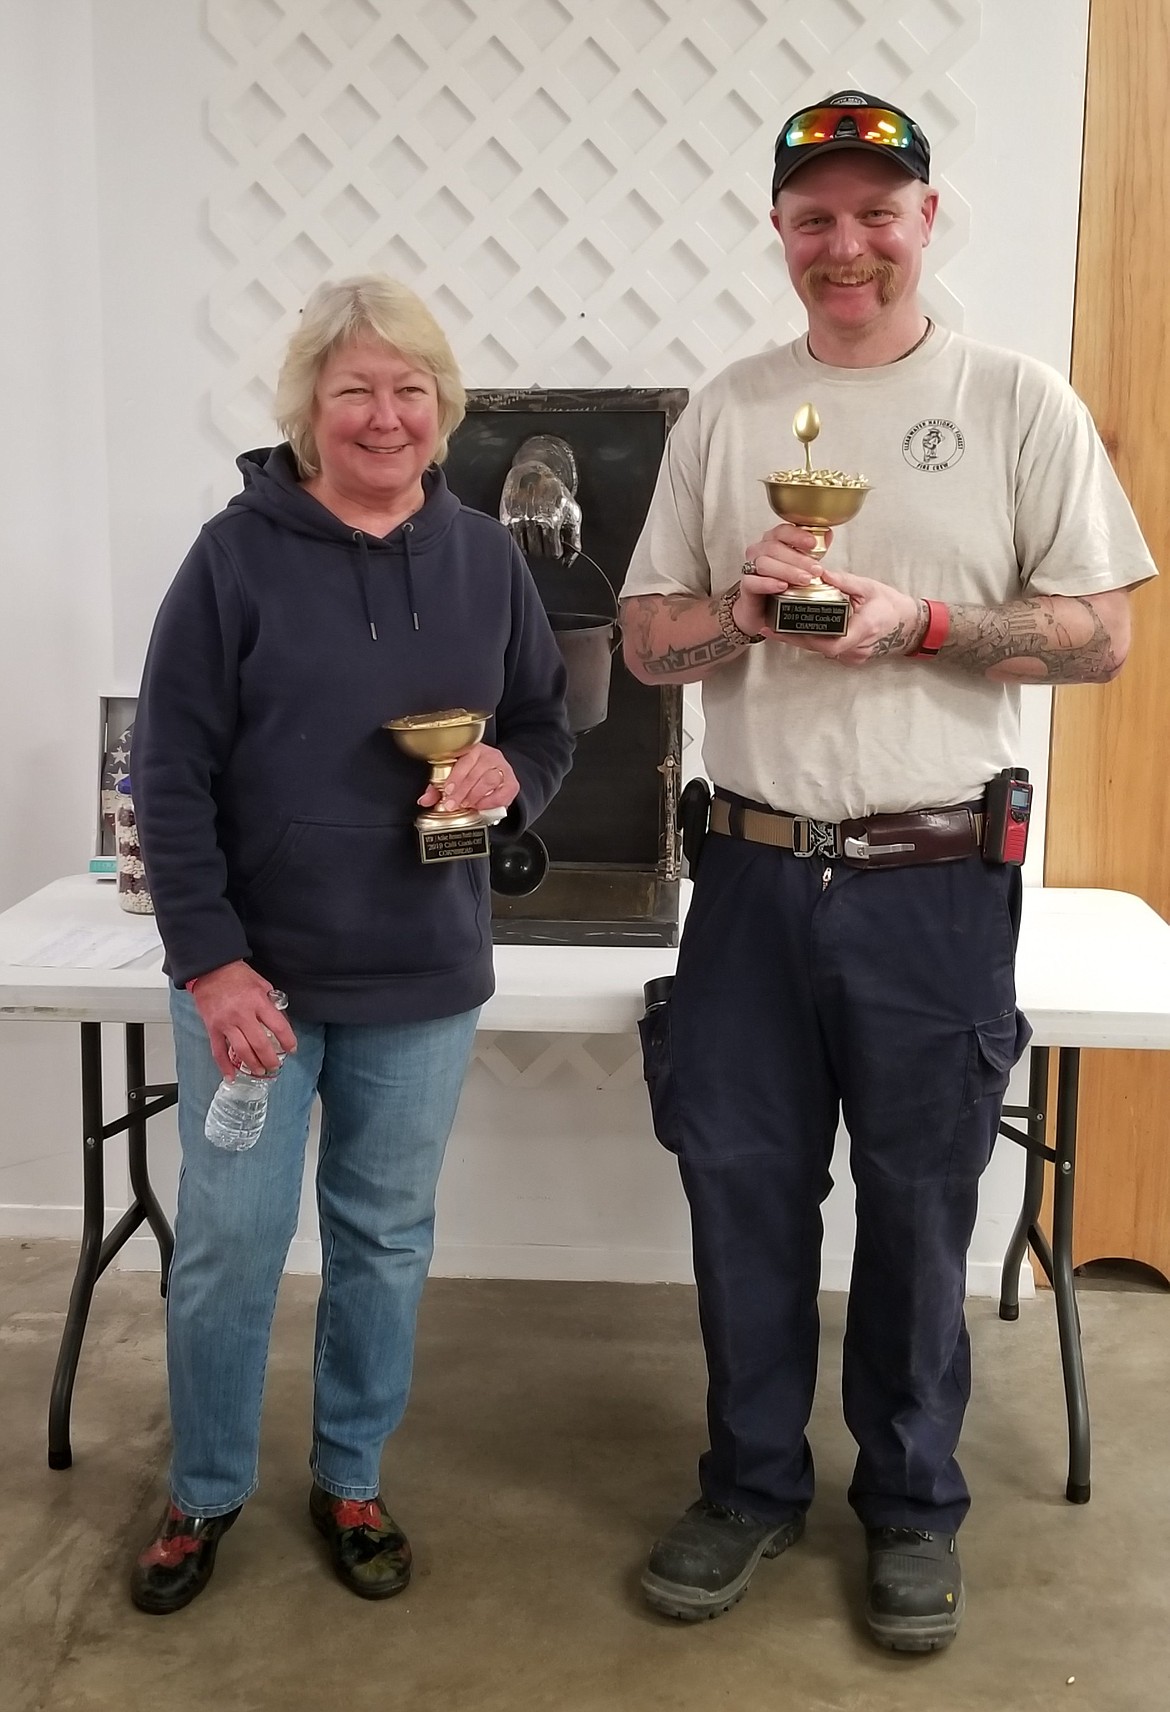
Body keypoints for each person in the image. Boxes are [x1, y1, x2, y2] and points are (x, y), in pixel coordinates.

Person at [620, 91, 1156, 1651]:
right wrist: (743, 604)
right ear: (779, 232)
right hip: (751, 875)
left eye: (872, 213)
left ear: (925, 220)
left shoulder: (1014, 401)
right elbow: (651, 645)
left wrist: (909, 622)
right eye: (812, 217)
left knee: (919, 1208)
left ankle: (912, 1507)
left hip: (930, 881)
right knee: (741, 1196)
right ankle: (748, 1486)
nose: (841, 245)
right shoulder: (725, 411)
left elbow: (1099, 635)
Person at [129, 274, 572, 1614]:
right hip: (257, 990)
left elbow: (545, 729)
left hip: (422, 978)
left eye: (408, 390)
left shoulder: (487, 559)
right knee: (228, 1246)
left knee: (383, 1239)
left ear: (443, 411)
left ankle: (351, 1476)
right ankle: (203, 1490)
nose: (384, 416)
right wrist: (210, 963)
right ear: (307, 411)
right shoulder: (235, 556)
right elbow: (169, 772)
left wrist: (509, 781)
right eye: (353, 391)